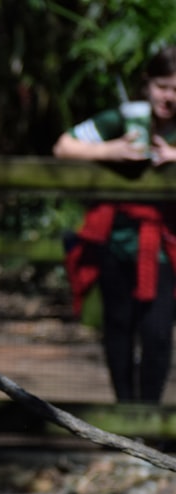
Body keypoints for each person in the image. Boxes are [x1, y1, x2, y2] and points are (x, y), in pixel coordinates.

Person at [54, 45, 176, 403]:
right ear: (147, 84)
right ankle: (123, 421)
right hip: (115, 238)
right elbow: (63, 146)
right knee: (118, 328)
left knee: (157, 333)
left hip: (166, 247)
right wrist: (110, 151)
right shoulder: (122, 118)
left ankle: (149, 422)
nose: (170, 97)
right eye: (163, 86)